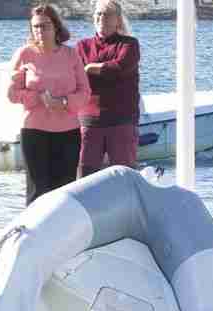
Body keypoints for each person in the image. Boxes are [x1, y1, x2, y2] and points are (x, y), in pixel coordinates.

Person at [7, 4, 90, 205]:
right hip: (34, 131)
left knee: (65, 192)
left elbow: (85, 93)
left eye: (44, 26)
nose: (39, 31)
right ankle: (35, 234)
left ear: (56, 27)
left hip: (68, 132)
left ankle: (65, 235)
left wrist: (62, 102)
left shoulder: (71, 55)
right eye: (35, 27)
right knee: (37, 191)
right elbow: (11, 93)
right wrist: (35, 98)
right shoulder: (24, 54)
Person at [76, 0, 140, 178]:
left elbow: (120, 67)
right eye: (98, 13)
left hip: (122, 120)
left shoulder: (129, 44)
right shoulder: (83, 46)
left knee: (125, 176)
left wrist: (90, 68)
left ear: (118, 20)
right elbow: (77, 77)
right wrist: (100, 70)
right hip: (89, 121)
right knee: (84, 177)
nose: (101, 17)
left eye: (107, 13)